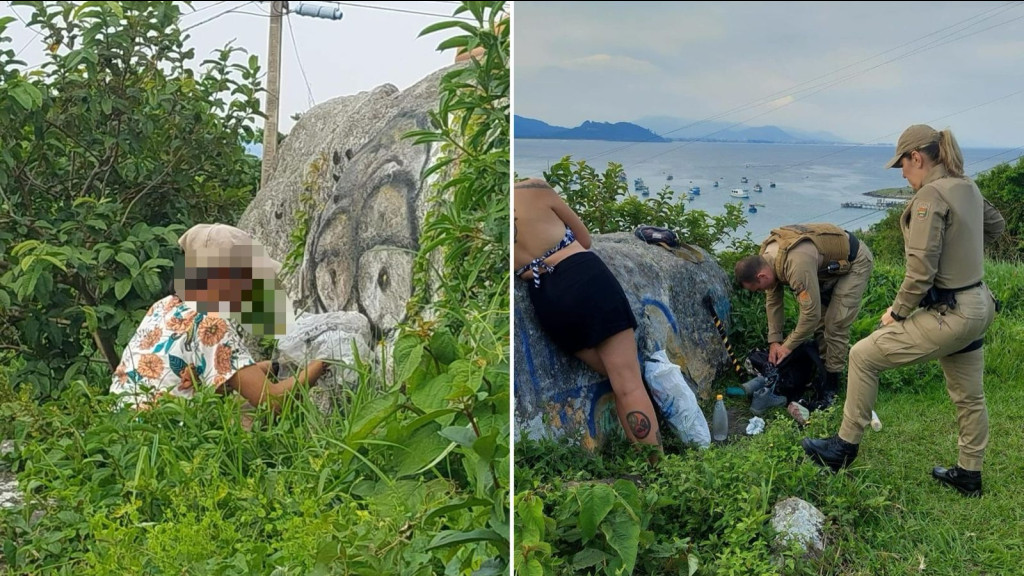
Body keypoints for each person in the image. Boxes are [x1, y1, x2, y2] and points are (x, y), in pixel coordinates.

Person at [802, 124, 1005, 498]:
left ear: (917, 157)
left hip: (952, 311)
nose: (904, 175)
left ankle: (843, 448)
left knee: (862, 355)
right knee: (969, 395)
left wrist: (897, 313)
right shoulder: (967, 186)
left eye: (903, 166)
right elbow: (995, 227)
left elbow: (920, 270)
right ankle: (968, 473)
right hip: (978, 304)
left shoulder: (930, 196)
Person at [110, 223, 326, 414]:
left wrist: (274, 366)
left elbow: (213, 378)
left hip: (123, 428)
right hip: (161, 437)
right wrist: (326, 359)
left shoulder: (164, 306)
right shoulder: (212, 324)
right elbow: (271, 400)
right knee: (247, 415)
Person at [514, 178, 662, 452]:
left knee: (618, 378)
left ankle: (645, 457)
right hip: (582, 276)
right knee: (628, 383)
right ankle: (658, 469)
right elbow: (585, 239)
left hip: (546, 298)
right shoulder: (533, 188)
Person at [734, 222, 874, 409]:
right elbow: (773, 301)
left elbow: (810, 315)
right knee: (821, 326)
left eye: (758, 288)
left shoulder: (795, 264)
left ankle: (832, 385)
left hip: (854, 262)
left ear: (761, 276)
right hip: (826, 268)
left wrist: (788, 346)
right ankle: (824, 371)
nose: (760, 291)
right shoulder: (766, 259)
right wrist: (774, 341)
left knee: (835, 325)